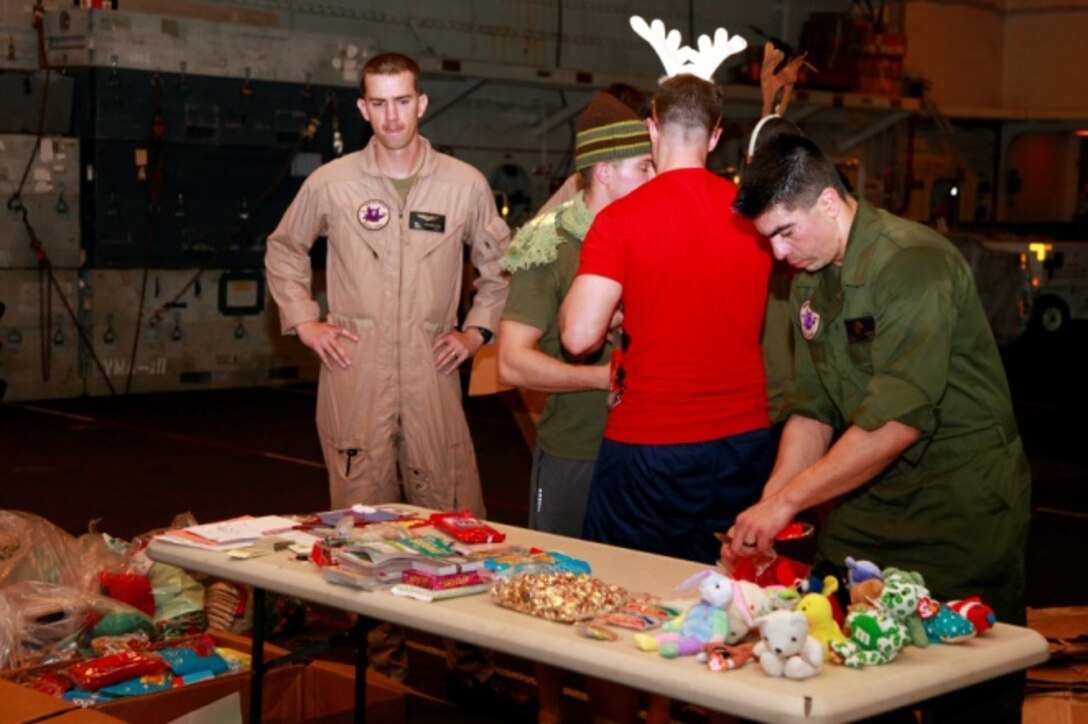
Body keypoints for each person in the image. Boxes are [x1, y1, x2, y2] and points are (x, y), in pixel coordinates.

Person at [726, 132, 1031, 722]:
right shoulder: (811, 277)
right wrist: (769, 510)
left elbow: (896, 422)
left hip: (958, 513)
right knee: (845, 685)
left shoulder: (912, 262)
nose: (779, 256)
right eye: (769, 241)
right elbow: (812, 409)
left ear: (829, 204)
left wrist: (788, 500)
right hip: (870, 509)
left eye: (785, 233)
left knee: (968, 693)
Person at [265, 51, 527, 713]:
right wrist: (306, 323)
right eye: (378, 103)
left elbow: (502, 267)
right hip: (355, 375)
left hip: (433, 378)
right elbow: (285, 249)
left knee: (457, 521)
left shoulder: (464, 186)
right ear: (362, 108)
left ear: (422, 103)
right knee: (362, 532)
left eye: (402, 101)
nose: (391, 116)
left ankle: (472, 667)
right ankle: (382, 672)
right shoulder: (332, 183)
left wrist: (475, 332)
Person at [559, 73, 775, 567]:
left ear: (651, 129)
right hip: (743, 440)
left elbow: (577, 336)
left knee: (626, 590)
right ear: (716, 135)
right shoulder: (757, 217)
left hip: (650, 444)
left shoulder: (620, 220)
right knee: (725, 591)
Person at [497, 90, 654, 724]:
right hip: (576, 451)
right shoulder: (549, 243)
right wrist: (598, 378)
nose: (655, 175)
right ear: (607, 169)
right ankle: (552, 710)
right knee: (556, 594)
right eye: (644, 165)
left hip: (648, 449)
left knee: (645, 592)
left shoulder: (653, 228)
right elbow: (512, 361)